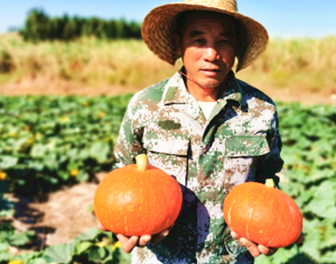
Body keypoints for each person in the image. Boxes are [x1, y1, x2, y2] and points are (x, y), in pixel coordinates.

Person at [98, 0, 303, 263]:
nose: (211, 54)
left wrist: (269, 229)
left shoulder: (261, 110)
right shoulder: (145, 105)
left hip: (232, 258)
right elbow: (125, 171)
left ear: (237, 47)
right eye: (198, 40)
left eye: (224, 41)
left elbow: (268, 175)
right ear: (177, 43)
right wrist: (124, 224)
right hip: (161, 256)